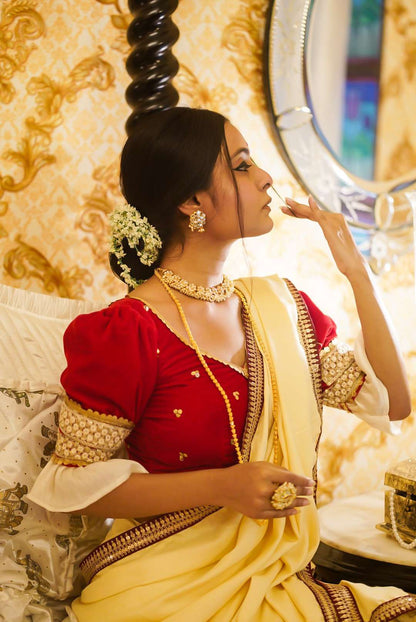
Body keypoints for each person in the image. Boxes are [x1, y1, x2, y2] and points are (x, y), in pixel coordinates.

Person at [28, 107, 415, 622]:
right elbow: (71, 486)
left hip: (273, 572)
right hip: (164, 581)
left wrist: (357, 272)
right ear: (192, 201)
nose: (266, 177)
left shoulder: (283, 309)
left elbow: (394, 402)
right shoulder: (128, 331)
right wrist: (222, 486)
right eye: (242, 165)